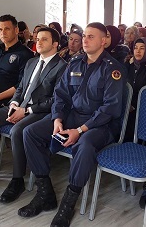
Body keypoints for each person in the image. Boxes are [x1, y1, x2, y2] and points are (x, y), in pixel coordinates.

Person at [19, 22, 127, 227]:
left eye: (91, 37)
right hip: (71, 117)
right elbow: (60, 95)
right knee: (30, 132)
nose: (85, 40)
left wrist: (79, 130)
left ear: (103, 41)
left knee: (84, 145)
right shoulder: (75, 63)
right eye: (84, 36)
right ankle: (45, 194)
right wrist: (58, 119)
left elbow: (110, 109)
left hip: (100, 125)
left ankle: (68, 203)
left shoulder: (113, 69)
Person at [0, 27, 67, 199]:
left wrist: (27, 110)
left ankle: (17, 180)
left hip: (39, 111)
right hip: (19, 106)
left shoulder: (61, 67)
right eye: (37, 39)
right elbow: (21, 88)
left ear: (55, 44)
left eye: (44, 39)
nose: (38, 42)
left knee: (17, 131)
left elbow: (56, 100)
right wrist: (15, 103)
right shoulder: (32, 62)